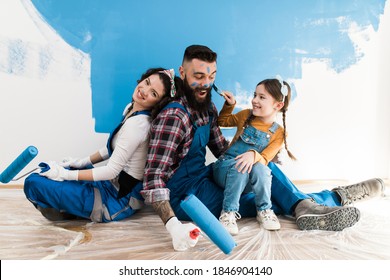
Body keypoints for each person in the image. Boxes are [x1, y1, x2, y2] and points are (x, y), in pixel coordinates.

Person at [141, 44, 385, 251]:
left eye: (212, 76)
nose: (206, 84)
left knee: (260, 167)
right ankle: (332, 198)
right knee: (262, 199)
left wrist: (251, 153)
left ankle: (307, 206)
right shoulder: (174, 116)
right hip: (187, 196)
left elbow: (221, 149)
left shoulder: (207, 108)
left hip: (204, 177)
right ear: (183, 73)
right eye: (198, 76)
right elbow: (152, 178)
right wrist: (173, 226)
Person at [23, 67, 189, 224]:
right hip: (108, 185)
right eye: (146, 82)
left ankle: (72, 211)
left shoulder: (138, 125)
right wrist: (80, 163)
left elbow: (111, 171)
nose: (144, 90)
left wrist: (65, 174)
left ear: (158, 103)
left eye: (153, 93)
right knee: (45, 171)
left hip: (116, 200)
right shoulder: (132, 108)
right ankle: (68, 207)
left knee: (33, 182)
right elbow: (114, 148)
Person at [212, 77, 296, 234]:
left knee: (262, 168)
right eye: (255, 95)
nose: (254, 100)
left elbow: (265, 158)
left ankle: (264, 210)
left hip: (247, 180)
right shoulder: (246, 115)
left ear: (278, 105)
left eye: (262, 97)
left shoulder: (279, 134)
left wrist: (252, 154)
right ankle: (228, 212)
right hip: (225, 168)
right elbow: (222, 121)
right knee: (240, 166)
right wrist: (230, 105)